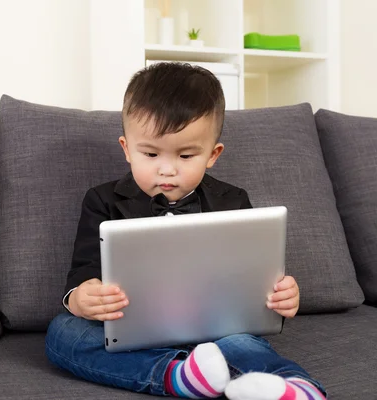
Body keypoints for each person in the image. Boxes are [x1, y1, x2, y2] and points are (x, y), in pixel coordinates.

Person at [45, 62, 326, 399]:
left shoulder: (233, 200)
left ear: (212, 154)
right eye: (149, 153)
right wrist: (81, 297)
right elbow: (85, 267)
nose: (167, 169)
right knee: (63, 334)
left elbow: (254, 275)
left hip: (219, 329)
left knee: (244, 344)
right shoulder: (102, 200)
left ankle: (299, 389)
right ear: (126, 149)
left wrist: (280, 293)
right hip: (131, 328)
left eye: (186, 155)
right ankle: (179, 376)